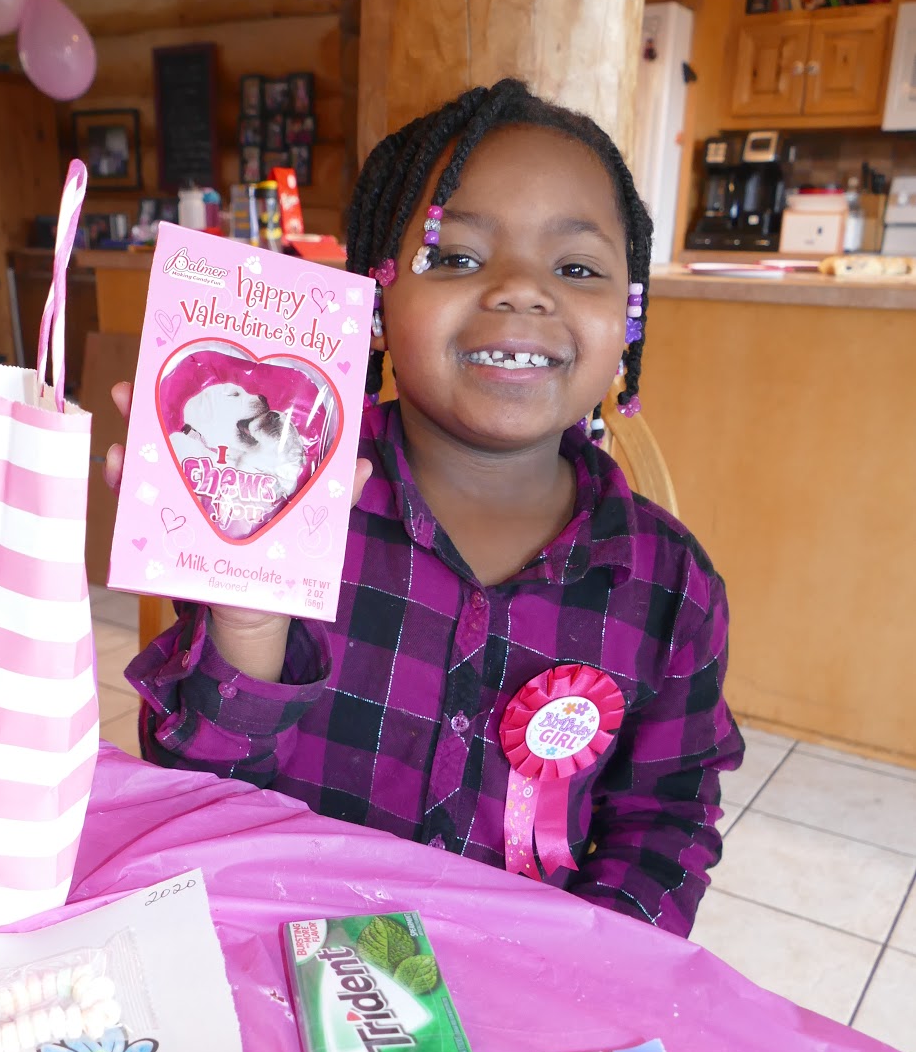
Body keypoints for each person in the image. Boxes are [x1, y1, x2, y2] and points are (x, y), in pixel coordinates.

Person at [105, 79, 744, 936]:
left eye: (576, 268)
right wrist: (248, 621)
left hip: (523, 981)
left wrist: (588, 973)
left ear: (629, 314)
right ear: (374, 299)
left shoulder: (669, 587)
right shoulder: (285, 494)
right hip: (276, 951)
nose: (520, 291)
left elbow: (664, 826)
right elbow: (201, 793)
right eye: (457, 258)